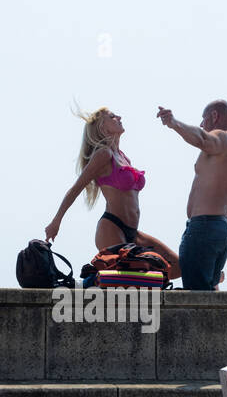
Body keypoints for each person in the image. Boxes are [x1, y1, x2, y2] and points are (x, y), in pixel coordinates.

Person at [44, 108, 180, 278]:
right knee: (129, 279)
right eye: (112, 116)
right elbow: (75, 188)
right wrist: (56, 221)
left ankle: (98, 279)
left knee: (178, 266)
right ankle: (91, 281)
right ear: (102, 126)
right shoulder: (104, 155)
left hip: (133, 232)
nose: (119, 117)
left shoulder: (123, 156)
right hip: (112, 227)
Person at [157, 100, 227, 290]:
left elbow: (202, 138)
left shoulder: (220, 137)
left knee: (196, 298)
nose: (202, 125)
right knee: (208, 293)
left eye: (203, 120)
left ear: (214, 116)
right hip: (223, 230)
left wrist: (174, 123)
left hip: (203, 228)